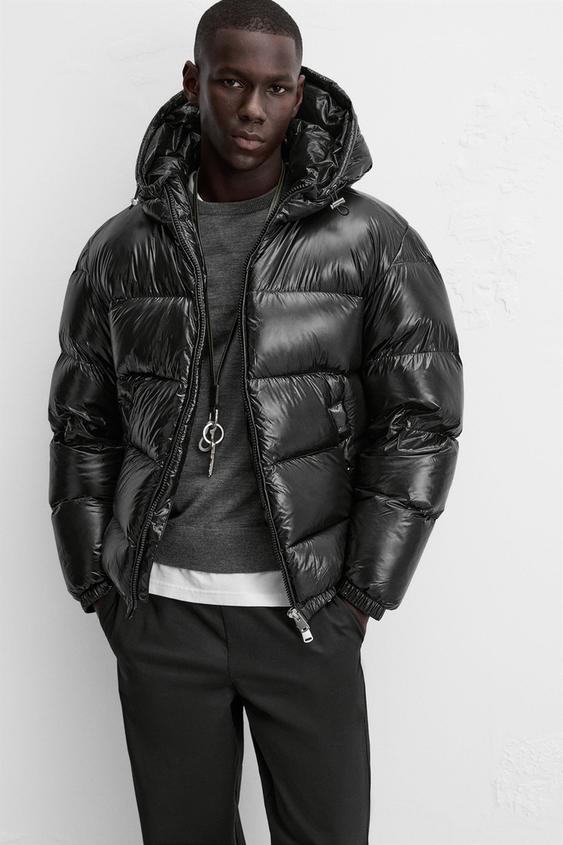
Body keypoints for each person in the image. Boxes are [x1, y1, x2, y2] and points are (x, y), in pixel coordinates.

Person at [47, 0, 464, 842]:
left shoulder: (372, 241)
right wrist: (99, 586)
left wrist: (360, 597)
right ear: (193, 82)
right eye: (231, 82)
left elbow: (421, 419)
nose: (251, 108)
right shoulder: (120, 250)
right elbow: (82, 424)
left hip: (305, 615)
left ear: (298, 93)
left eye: (276, 88)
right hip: (162, 612)